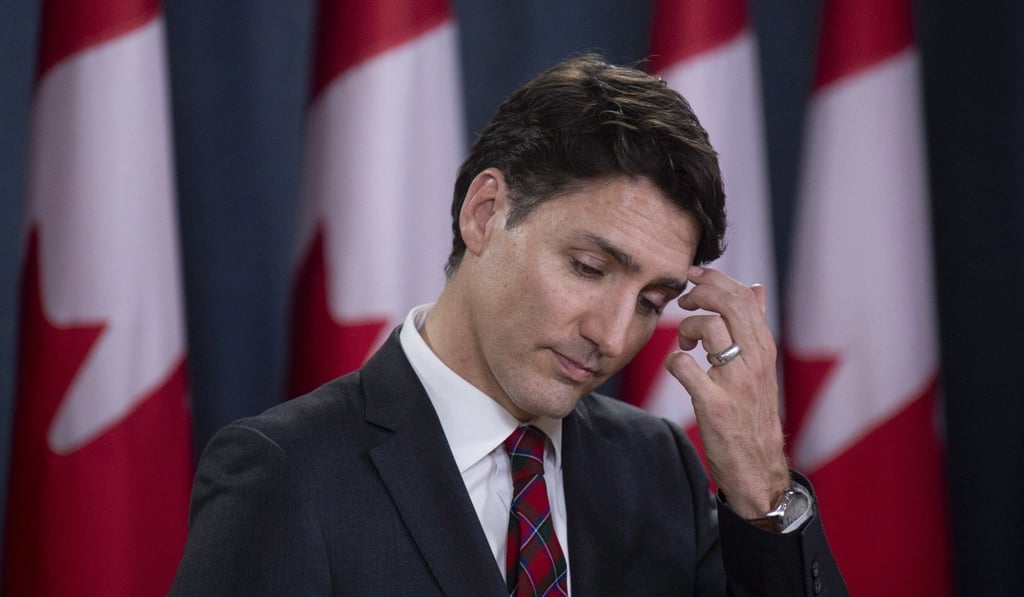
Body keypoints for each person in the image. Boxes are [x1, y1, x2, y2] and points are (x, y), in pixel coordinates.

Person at [171, 54, 848, 595]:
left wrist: (762, 490)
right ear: (486, 212)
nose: (612, 337)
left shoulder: (659, 469)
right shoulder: (285, 473)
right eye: (588, 267)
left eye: (650, 302)